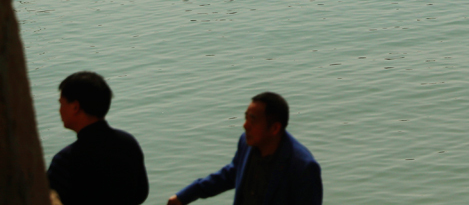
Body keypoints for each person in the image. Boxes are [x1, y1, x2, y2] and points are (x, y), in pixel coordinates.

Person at [168, 92, 322, 205]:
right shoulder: (246, 143)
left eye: (253, 120)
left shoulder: (303, 167)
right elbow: (231, 174)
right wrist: (184, 196)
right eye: (246, 117)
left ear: (275, 128)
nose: (245, 125)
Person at [47, 71, 149, 205]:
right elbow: (141, 193)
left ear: (75, 107)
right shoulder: (128, 144)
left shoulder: (66, 160)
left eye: (61, 104)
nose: (59, 110)